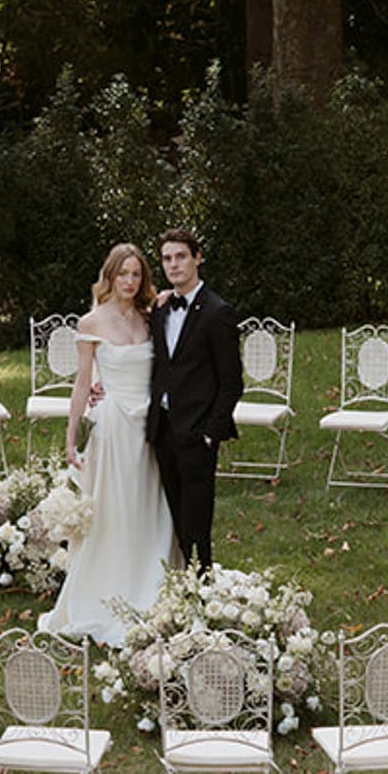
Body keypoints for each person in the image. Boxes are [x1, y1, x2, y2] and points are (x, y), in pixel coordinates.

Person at [38, 244, 178, 646]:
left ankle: (152, 583)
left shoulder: (152, 317)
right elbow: (83, 383)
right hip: (114, 426)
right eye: (123, 275)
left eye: (136, 275)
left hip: (150, 424)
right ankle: (111, 592)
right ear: (110, 276)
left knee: (149, 506)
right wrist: (70, 438)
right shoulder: (91, 322)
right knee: (115, 511)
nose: (130, 282)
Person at [146, 227, 241, 569]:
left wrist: (210, 433)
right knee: (171, 512)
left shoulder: (217, 313)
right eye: (167, 258)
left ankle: (202, 587)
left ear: (197, 258)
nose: (174, 265)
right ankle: (180, 581)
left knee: (196, 518)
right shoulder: (159, 310)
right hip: (163, 428)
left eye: (181, 256)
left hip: (197, 432)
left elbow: (231, 382)